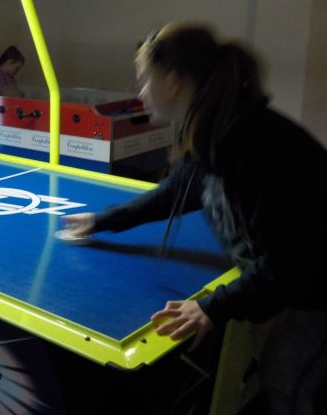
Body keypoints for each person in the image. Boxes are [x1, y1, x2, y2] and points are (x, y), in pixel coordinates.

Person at [62, 23, 327, 414]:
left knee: (290, 383)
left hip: (317, 289)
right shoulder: (214, 127)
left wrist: (212, 305)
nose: (140, 92)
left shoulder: (254, 142)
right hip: (289, 284)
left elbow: (289, 263)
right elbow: (173, 192)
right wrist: (102, 221)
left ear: (171, 80)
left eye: (144, 80)